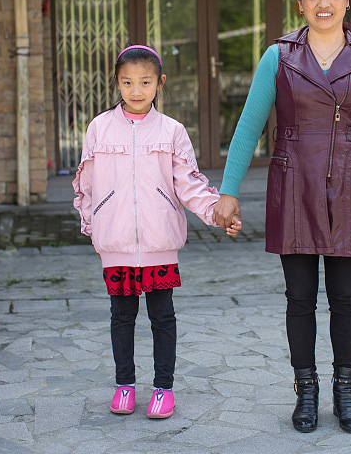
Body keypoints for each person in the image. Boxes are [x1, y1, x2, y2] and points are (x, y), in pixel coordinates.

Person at [213, 0, 351, 434]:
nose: (324, 3)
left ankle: (345, 393)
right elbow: (250, 124)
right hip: (293, 186)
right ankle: (307, 391)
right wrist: (228, 191)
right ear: (300, 4)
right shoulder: (278, 56)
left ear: (348, 0)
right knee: (299, 299)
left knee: (346, 298)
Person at [73, 45, 241, 420]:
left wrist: (216, 212)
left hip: (160, 244)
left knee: (162, 317)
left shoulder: (172, 131)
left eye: (145, 82)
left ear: (159, 83)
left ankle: (164, 388)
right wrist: (95, 226)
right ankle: (125, 385)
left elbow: (190, 183)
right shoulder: (99, 128)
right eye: (128, 82)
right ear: (116, 83)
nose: (136, 90)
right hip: (116, 245)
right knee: (122, 316)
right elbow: (86, 184)